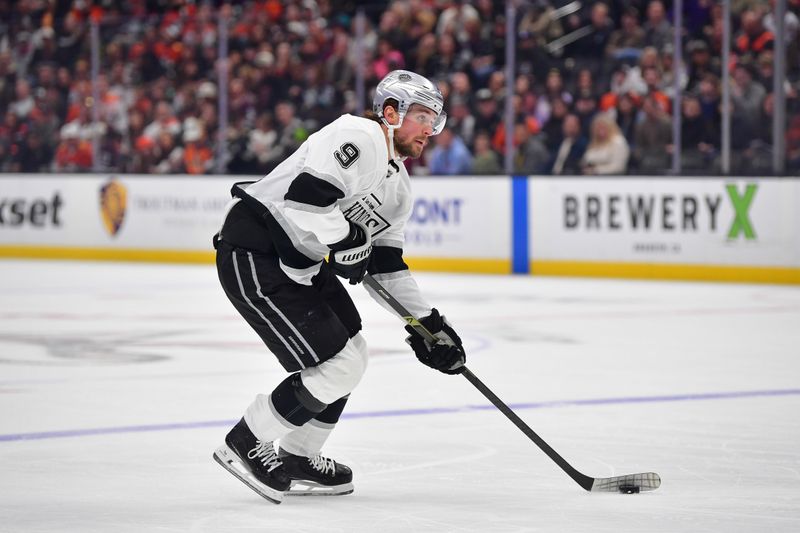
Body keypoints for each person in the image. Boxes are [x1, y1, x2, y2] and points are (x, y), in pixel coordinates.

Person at [211, 70, 466, 504]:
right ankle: (246, 441)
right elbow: (307, 199)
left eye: (436, 120)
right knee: (337, 366)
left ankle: (298, 456)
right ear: (391, 112)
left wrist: (426, 324)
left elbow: (385, 266)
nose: (429, 129)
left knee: (353, 355)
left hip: (301, 263)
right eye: (422, 116)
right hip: (256, 250)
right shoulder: (359, 134)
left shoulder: (399, 189)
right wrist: (347, 239)